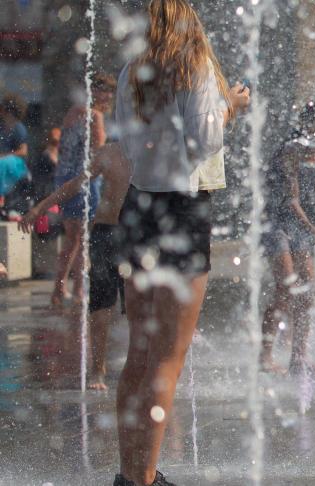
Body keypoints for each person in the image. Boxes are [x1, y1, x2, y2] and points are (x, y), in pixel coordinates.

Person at [112, 0, 250, 484]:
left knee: (139, 354)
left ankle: (130, 474)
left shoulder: (131, 70)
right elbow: (205, 140)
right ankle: (145, 479)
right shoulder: (195, 66)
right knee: (168, 359)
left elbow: (126, 145)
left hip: (138, 207)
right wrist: (232, 105)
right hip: (181, 210)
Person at [19, 143, 131, 391]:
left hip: (137, 235)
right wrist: (40, 207)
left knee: (138, 306)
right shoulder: (110, 152)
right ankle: (98, 369)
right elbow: (75, 184)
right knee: (100, 305)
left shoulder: (153, 149)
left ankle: (141, 365)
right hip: (106, 232)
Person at [260, 100, 315, 376]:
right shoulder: (291, 149)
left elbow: (313, 192)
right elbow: (292, 199)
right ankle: (265, 357)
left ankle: (299, 358)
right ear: (309, 122)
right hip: (277, 223)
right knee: (285, 288)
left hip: (298, 225)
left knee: (307, 290)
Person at [50, 73, 116, 311]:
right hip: (84, 182)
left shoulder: (73, 111)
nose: (109, 96)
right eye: (105, 90)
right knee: (82, 238)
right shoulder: (94, 115)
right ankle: (77, 290)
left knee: (73, 239)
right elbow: (100, 151)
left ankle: (61, 289)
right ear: (94, 91)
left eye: (110, 92)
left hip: (65, 178)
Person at [0, 92, 28, 159]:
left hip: (13, 164)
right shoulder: (2, 126)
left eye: (2, 108)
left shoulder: (19, 129)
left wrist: (3, 157)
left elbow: (23, 152)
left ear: (9, 112)